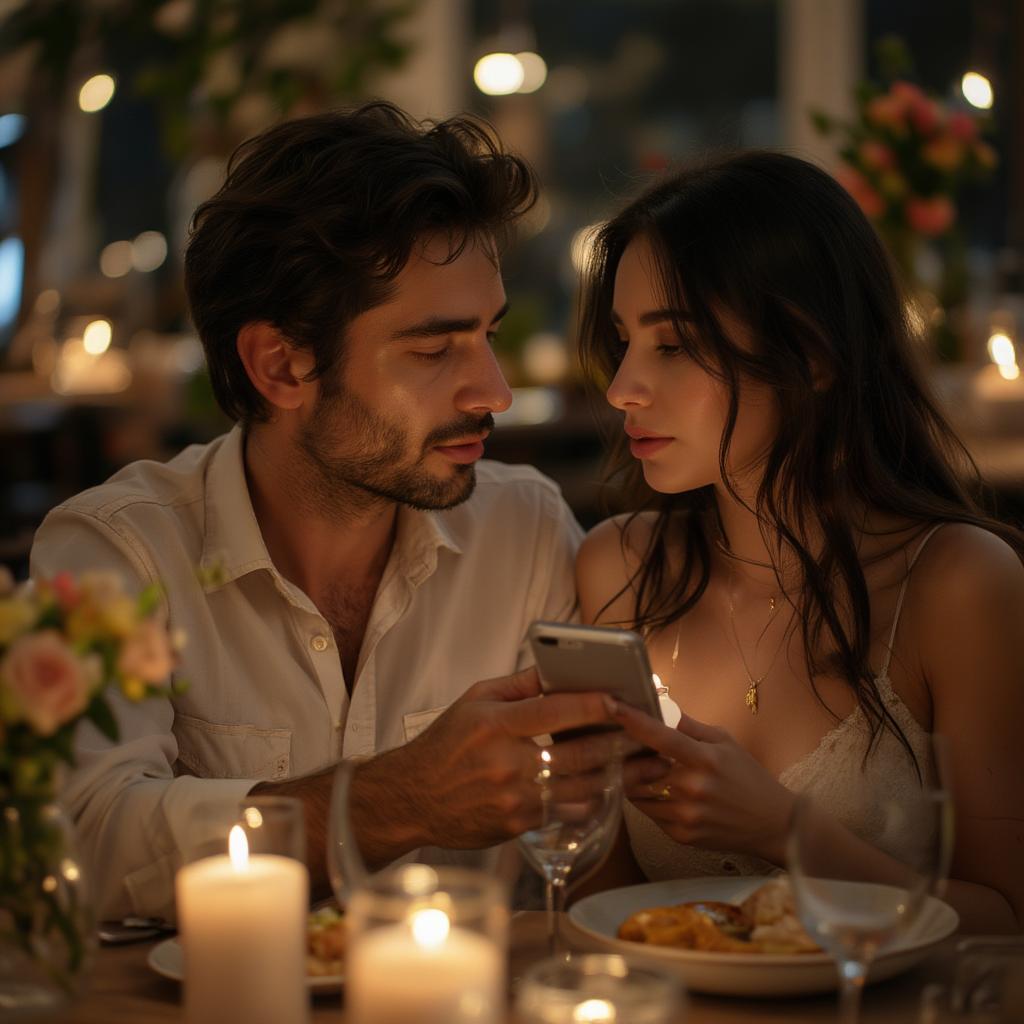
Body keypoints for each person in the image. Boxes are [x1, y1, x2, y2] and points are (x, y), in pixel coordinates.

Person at [30, 103, 667, 920]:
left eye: (488, 336)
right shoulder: (121, 553)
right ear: (282, 366)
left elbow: (590, 862)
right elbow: (83, 839)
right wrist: (392, 801)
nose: (495, 392)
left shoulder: (523, 532)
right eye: (435, 350)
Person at [574, 151, 1024, 932]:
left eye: (673, 345)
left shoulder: (956, 584)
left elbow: (1008, 923)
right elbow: (598, 905)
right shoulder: (620, 567)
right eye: (625, 342)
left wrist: (784, 832)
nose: (622, 390)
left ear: (811, 357)